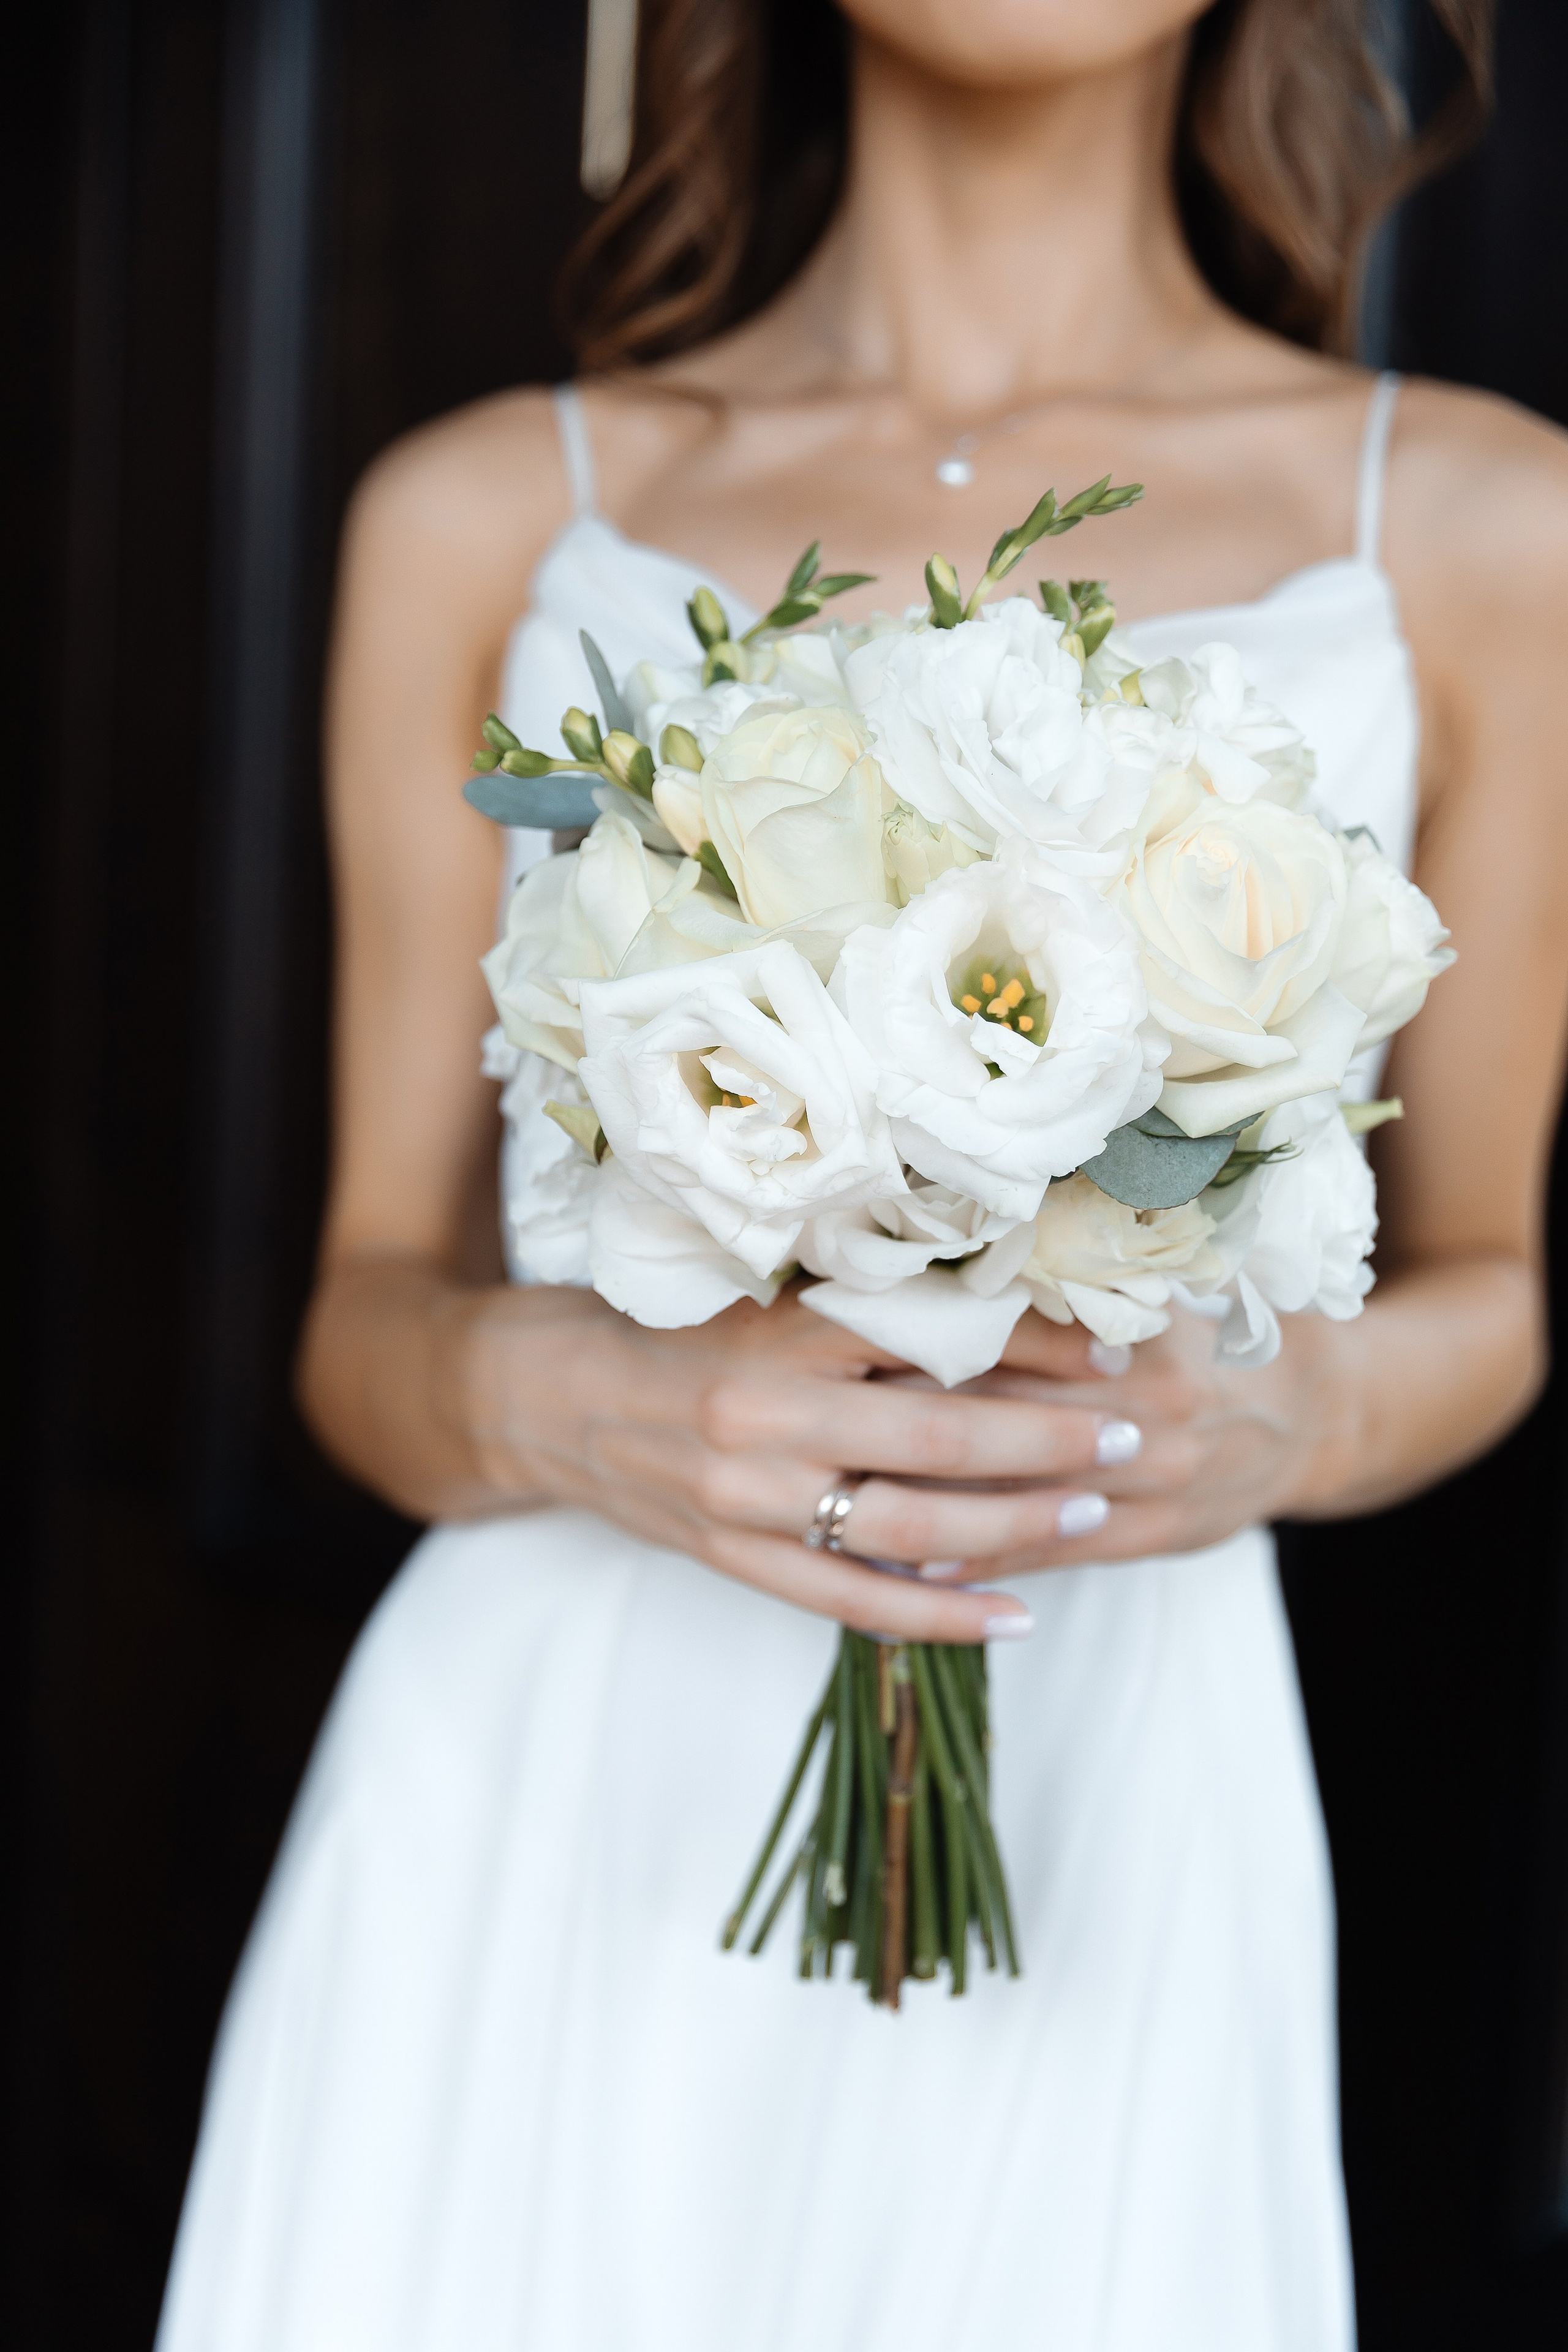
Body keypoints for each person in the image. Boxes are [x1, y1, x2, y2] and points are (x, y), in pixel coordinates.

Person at [157, 2, 1563, 2346]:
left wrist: (1270, 1417)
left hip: (1121, 1776)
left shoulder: (1485, 524)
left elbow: (1497, 1279)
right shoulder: (492, 513)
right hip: (544, 1790)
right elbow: (363, 1322)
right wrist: (579, 1402)